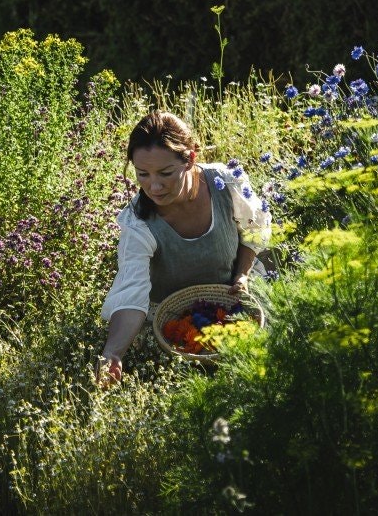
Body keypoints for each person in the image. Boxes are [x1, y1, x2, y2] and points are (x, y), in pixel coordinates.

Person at [98, 111, 271, 383]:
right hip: (175, 319)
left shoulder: (224, 182)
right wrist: (113, 353)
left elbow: (255, 228)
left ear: (190, 158)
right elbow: (132, 292)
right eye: (142, 174)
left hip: (232, 297)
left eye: (166, 173)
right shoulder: (138, 222)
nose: (153, 186)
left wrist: (243, 274)